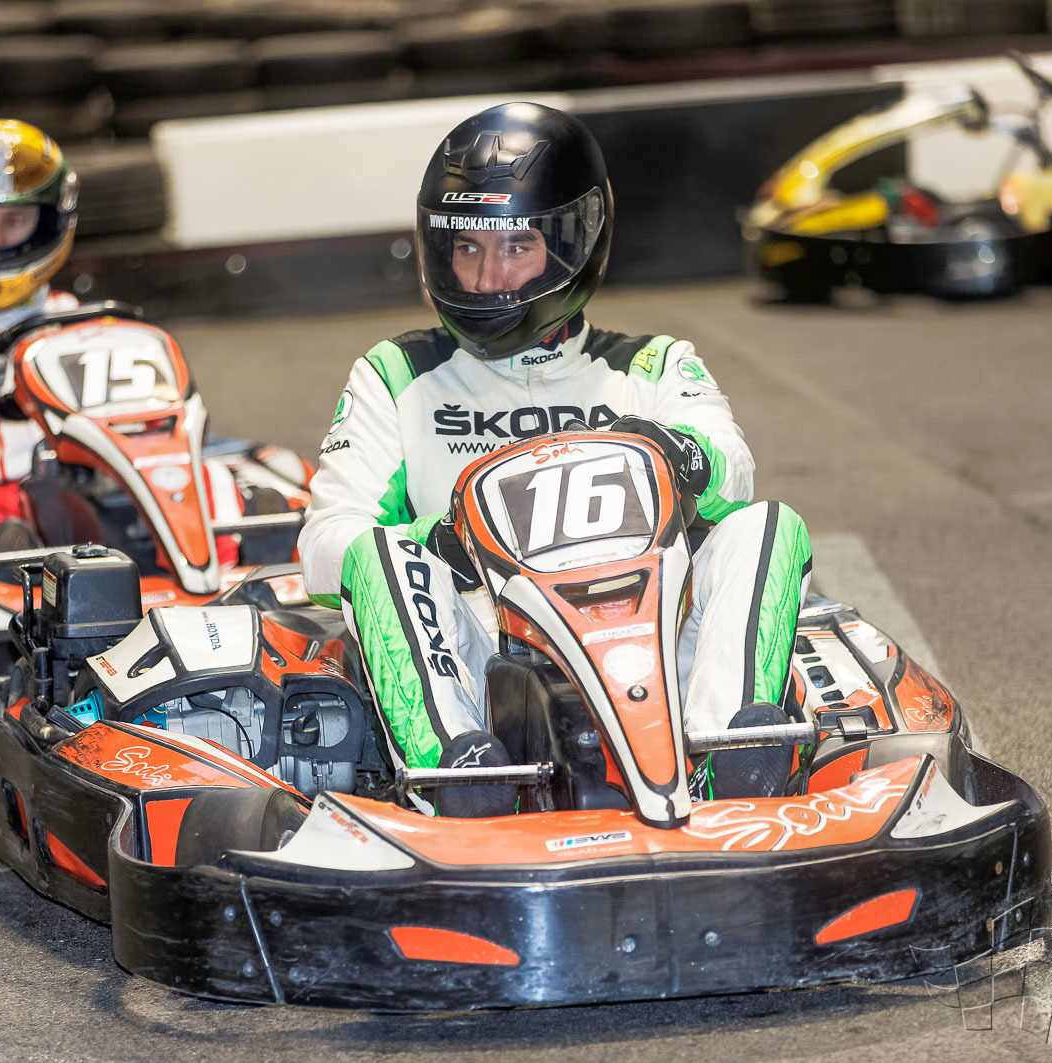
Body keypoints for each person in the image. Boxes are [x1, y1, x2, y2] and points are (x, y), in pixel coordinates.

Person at [298, 103, 812, 817]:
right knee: (376, 551)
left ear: (574, 245)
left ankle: (735, 760)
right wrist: (443, 543)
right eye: (466, 248)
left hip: (654, 648)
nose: (485, 278)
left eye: (516, 246)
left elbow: (732, 471)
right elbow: (324, 549)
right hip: (478, 660)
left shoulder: (651, 365)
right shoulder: (396, 374)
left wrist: (681, 453)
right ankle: (458, 784)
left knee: (766, 524)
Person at [0, 119, 246, 571]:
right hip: (5, 503)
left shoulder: (93, 322)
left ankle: (236, 568)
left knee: (207, 475)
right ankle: (13, 585)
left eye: (15, 221)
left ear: (49, 222)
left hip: (101, 481)